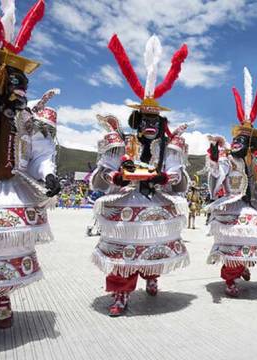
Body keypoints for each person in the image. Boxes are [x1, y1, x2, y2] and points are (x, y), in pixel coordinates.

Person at [0, 0, 60, 328]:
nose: (23, 89)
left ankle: (1, 292)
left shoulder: (25, 117)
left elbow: (37, 156)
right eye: (16, 80)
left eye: (24, 83)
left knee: (7, 239)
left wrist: (49, 175)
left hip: (7, 186)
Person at [90, 35, 190, 316]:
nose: (149, 125)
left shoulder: (169, 148)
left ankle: (152, 275)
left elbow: (177, 176)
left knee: (154, 245)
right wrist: (116, 179)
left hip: (156, 202)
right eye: (144, 121)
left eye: (154, 121)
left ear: (161, 125)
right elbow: (102, 173)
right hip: (125, 201)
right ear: (137, 122)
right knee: (123, 250)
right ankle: (121, 292)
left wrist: (163, 179)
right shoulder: (120, 143)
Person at [206, 67, 257, 297]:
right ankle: (230, 278)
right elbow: (216, 174)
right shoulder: (228, 161)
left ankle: (244, 264)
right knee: (235, 238)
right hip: (233, 205)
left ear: (252, 145)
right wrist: (215, 159)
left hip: (255, 205)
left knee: (256, 235)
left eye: (242, 140)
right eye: (235, 139)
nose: (236, 143)